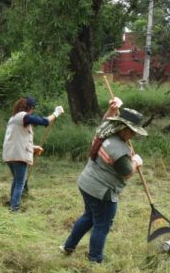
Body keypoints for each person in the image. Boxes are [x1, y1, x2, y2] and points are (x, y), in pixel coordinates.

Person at [60, 97, 146, 263]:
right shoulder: (119, 149)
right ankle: (95, 260)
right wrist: (136, 162)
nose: (134, 135)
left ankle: (68, 247)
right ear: (124, 128)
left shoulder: (104, 130)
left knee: (89, 217)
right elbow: (127, 173)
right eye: (133, 131)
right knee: (102, 225)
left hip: (86, 183)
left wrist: (112, 109)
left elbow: (106, 119)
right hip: (102, 192)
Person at [2, 96, 64, 212]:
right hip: (19, 155)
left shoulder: (13, 118)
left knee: (17, 180)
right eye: (33, 109)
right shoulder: (24, 117)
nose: (32, 112)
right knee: (20, 182)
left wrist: (33, 147)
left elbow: (17, 139)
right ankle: (14, 208)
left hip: (9, 155)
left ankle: (12, 203)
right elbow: (44, 121)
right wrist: (56, 113)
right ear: (30, 108)